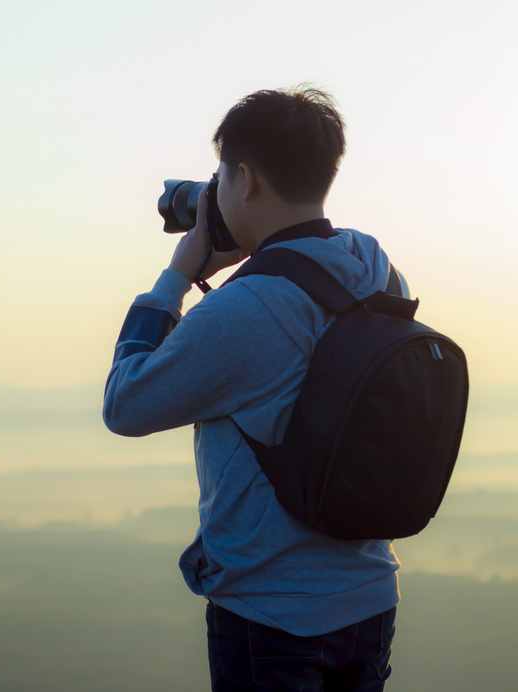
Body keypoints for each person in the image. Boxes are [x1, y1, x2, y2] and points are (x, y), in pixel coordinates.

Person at [102, 87, 401, 692]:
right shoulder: (372, 263)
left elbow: (125, 404)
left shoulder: (248, 308)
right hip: (370, 598)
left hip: (272, 617)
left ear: (244, 178)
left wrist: (177, 277)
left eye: (220, 176)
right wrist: (257, 248)